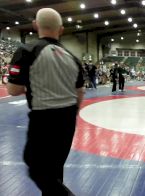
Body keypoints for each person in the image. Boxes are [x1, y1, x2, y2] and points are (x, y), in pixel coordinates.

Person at [6, 8, 84, 195]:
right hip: (68, 119)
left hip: (43, 117)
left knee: (35, 165)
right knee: (55, 170)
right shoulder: (73, 58)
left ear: (35, 25)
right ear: (61, 30)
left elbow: (14, 89)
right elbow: (80, 91)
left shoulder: (27, 51)